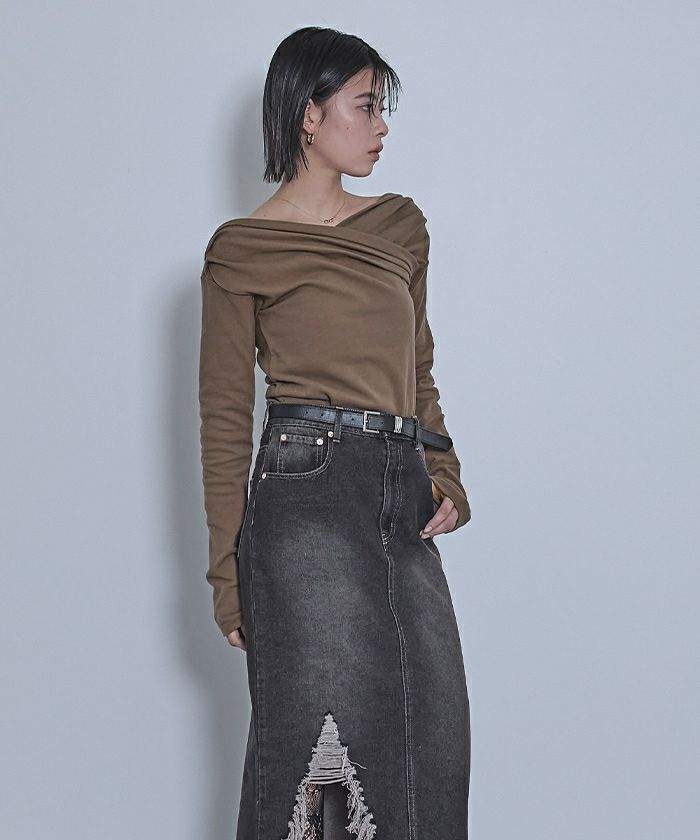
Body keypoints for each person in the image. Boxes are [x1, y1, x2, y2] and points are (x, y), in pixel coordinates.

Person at [198, 26, 473, 840]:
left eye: (382, 108)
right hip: (305, 498)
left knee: (433, 737)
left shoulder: (398, 227)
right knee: (322, 758)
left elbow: (418, 368)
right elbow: (223, 419)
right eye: (365, 106)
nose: (381, 127)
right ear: (308, 115)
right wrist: (226, 577)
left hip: (400, 495)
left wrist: (446, 473)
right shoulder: (242, 250)